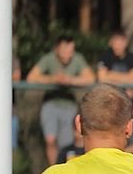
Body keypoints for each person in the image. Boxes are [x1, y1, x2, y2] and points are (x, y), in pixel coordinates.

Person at [27, 35, 96, 165]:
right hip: (51, 104)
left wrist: (70, 80)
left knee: (66, 144)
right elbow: (32, 77)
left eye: (71, 51)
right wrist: (53, 79)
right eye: (65, 50)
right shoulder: (48, 59)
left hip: (68, 105)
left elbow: (91, 78)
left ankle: (65, 171)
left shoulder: (77, 59)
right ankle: (53, 169)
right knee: (50, 140)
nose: (68, 54)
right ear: (57, 49)